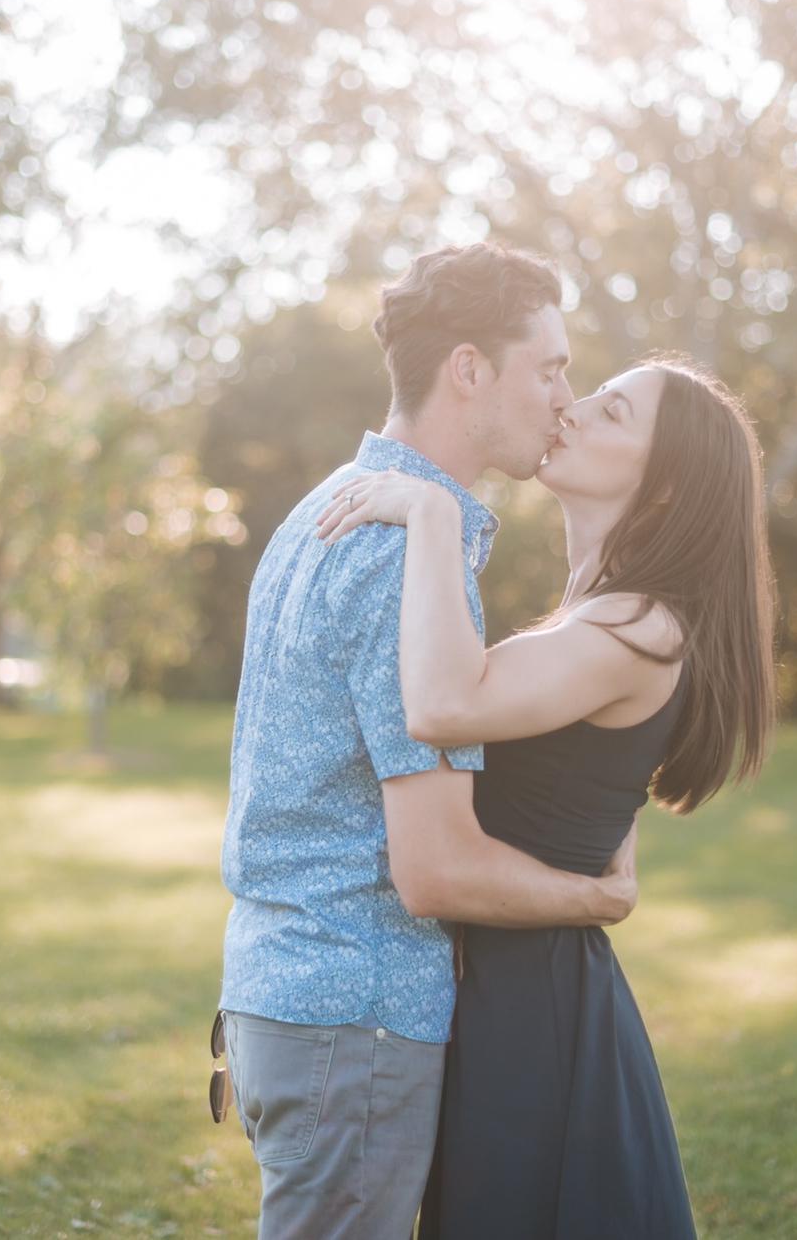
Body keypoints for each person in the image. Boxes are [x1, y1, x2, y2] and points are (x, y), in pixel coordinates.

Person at [216, 242, 644, 1240]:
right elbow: (435, 869)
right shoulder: (404, 554)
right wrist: (597, 895)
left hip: (284, 995)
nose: (563, 396)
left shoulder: (322, 509)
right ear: (467, 369)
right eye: (548, 367)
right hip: (350, 1015)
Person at [314, 350, 779, 1239]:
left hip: (532, 1012)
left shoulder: (636, 624)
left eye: (611, 414)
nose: (572, 410)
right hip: (510, 984)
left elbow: (446, 706)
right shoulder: (598, 617)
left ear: (667, 489)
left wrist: (432, 511)